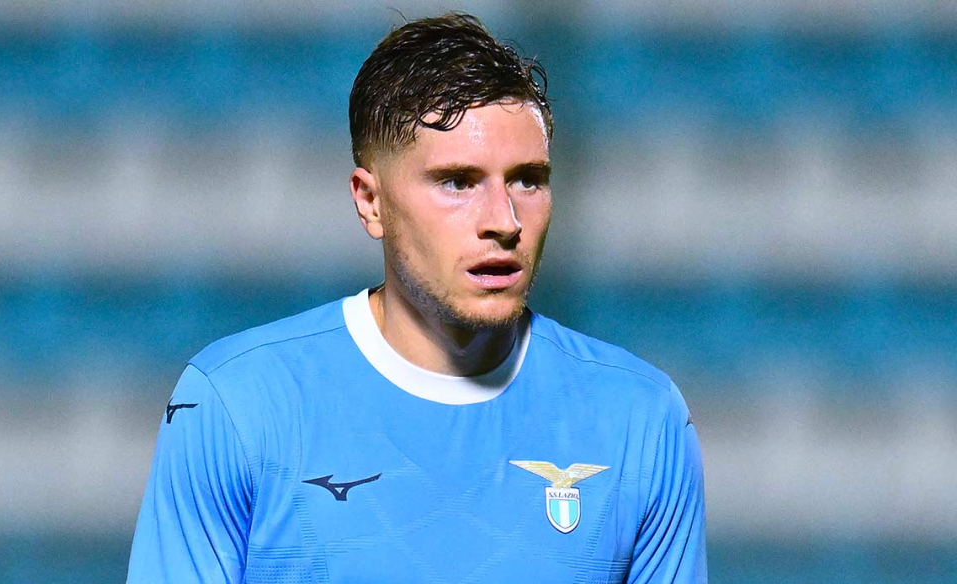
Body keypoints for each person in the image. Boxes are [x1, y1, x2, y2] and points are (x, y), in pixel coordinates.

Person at [127, 13, 706, 583]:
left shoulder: (640, 419)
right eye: (458, 181)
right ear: (371, 202)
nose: (504, 220)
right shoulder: (238, 403)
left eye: (528, 179)